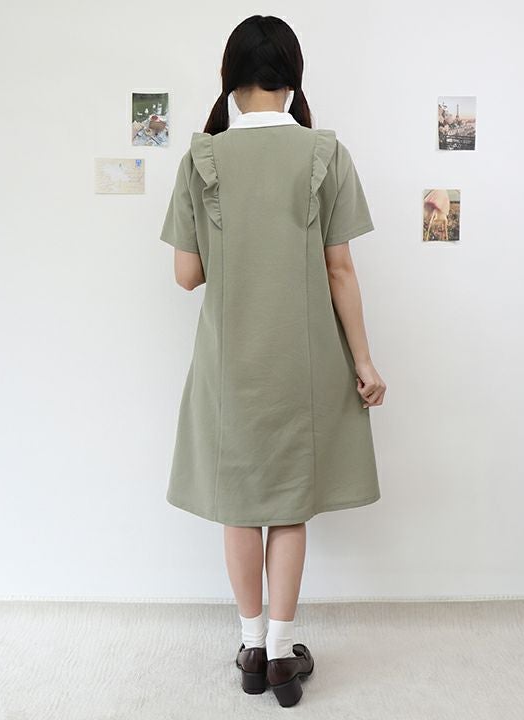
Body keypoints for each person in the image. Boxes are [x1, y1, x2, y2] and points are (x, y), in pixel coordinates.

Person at [160, 14, 386, 707]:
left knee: (239, 506)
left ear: (230, 77)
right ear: (292, 78)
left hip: (229, 368)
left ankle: (252, 647)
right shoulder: (324, 153)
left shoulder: (202, 158)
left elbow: (186, 277)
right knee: (288, 509)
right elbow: (340, 270)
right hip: (301, 365)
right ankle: (284, 656)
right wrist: (364, 362)